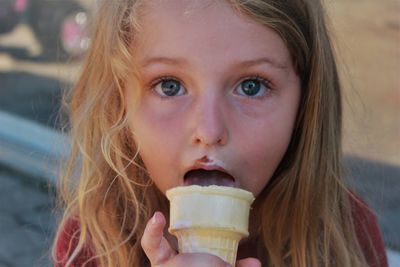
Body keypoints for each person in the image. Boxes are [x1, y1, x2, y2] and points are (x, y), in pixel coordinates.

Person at [52, 0, 388, 266]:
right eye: (170, 86)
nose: (209, 131)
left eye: (252, 86)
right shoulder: (93, 243)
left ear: (305, 103)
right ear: (119, 101)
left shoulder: (345, 236)